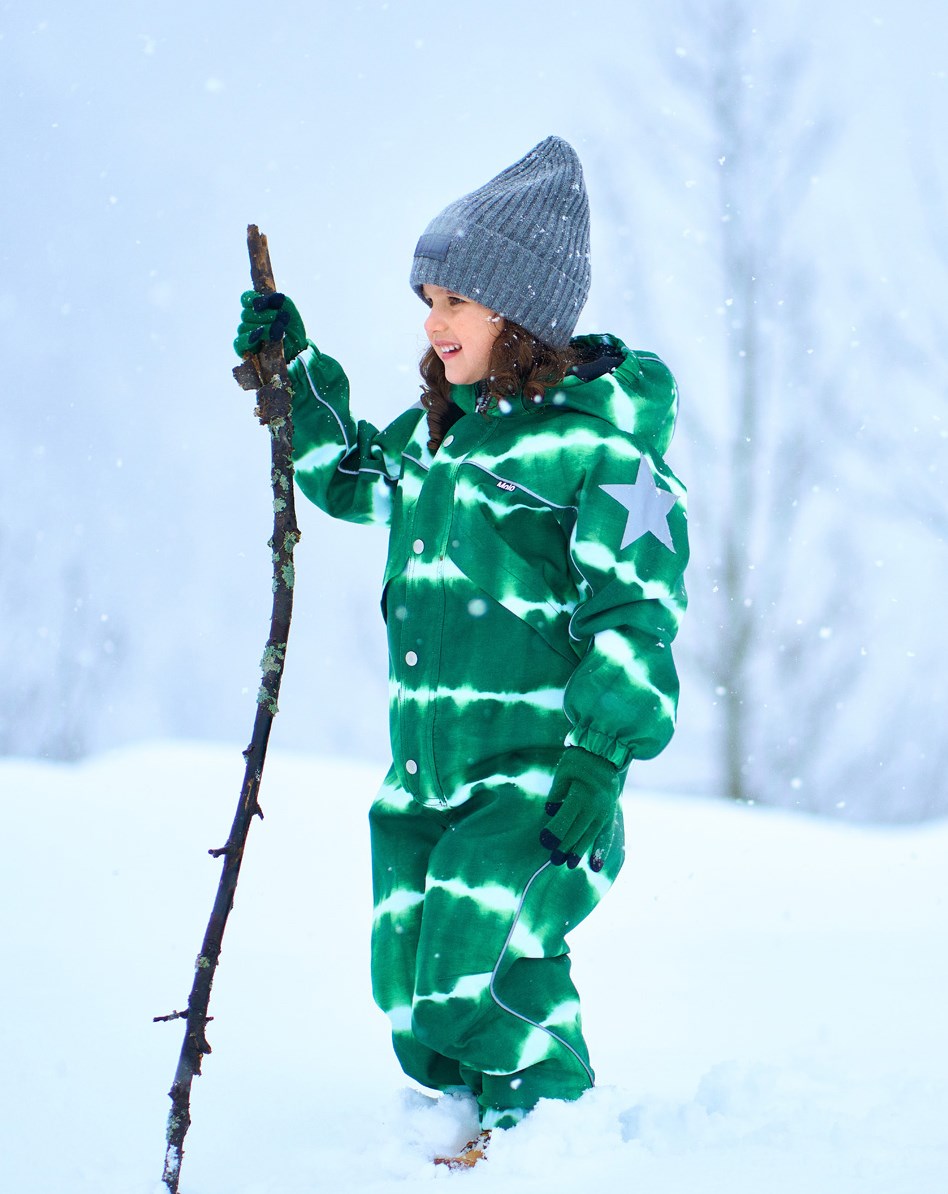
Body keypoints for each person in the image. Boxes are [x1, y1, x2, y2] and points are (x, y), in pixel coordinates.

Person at [234, 136, 688, 1167]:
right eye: (427, 301)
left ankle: (550, 1129)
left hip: (538, 775)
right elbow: (350, 477)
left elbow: (638, 607)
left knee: (464, 972)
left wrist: (597, 751)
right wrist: (291, 375)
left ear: (516, 314)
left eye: (455, 302)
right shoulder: (440, 439)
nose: (433, 324)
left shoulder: (599, 452)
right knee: (408, 984)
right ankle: (480, 1119)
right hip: (426, 773)